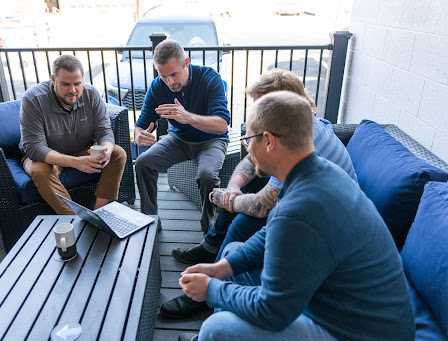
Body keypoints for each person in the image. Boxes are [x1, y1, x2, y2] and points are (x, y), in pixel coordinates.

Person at [177, 91, 415, 341]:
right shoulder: (320, 172)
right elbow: (269, 236)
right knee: (232, 254)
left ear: (268, 141)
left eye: (249, 138)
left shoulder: (298, 211)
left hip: (357, 333)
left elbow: (273, 310)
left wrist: (212, 289)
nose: (247, 146)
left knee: (217, 328)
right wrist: (221, 268)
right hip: (344, 305)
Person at [161, 68, 358, 319]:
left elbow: (263, 206)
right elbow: (253, 165)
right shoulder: (299, 135)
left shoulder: (304, 159)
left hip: (328, 241)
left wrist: (228, 201)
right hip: (320, 221)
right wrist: (233, 188)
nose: (253, 124)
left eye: (261, 112)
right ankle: (213, 252)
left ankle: (209, 295)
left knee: (244, 219)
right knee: (246, 191)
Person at [134, 39, 230, 233]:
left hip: (211, 140)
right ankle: (151, 221)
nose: (170, 82)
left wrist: (188, 117)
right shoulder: (158, 86)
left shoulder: (210, 78)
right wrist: (139, 135)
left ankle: (208, 230)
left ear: (186, 63)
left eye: (174, 74)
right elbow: (140, 125)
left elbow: (222, 125)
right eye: (163, 76)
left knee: (206, 176)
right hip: (178, 139)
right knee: (143, 163)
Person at [19, 54, 127, 215]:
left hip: (82, 149)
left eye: (77, 83)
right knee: (39, 170)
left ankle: (99, 213)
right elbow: (34, 148)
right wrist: (75, 162)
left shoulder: (91, 94)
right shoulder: (33, 99)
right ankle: (75, 219)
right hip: (47, 158)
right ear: (53, 80)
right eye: (65, 84)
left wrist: (106, 151)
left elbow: (104, 131)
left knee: (117, 153)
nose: (73, 90)